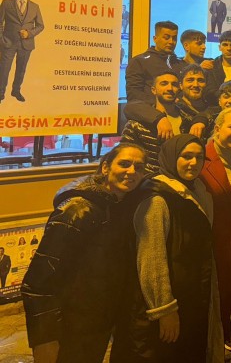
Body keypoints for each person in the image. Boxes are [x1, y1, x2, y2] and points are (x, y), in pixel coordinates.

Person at [22, 144, 146, 363]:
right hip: (68, 329)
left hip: (95, 327)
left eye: (139, 167)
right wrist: (45, 339)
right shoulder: (77, 210)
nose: (131, 171)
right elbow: (38, 282)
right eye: (124, 164)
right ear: (106, 168)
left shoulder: (120, 207)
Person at [111, 135, 222, 363]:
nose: (193, 163)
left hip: (188, 297)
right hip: (160, 307)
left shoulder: (196, 190)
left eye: (199, 157)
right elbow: (151, 259)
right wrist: (164, 310)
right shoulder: (158, 199)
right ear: (172, 157)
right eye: (186, 156)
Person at [200, 108, 231, 353]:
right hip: (206, 240)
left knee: (226, 289)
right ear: (218, 128)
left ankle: (222, 328)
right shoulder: (199, 158)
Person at [121, 72, 193, 172]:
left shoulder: (189, 121)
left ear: (179, 88)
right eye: (164, 84)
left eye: (174, 84)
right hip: (150, 179)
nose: (170, 88)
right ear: (153, 90)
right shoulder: (137, 125)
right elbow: (125, 159)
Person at [0, 0, 44, 104]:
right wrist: (1, 40)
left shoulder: (35, 7)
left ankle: (16, 91)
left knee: (21, 69)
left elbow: (40, 25)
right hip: (8, 43)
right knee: (4, 69)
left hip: (26, 45)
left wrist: (29, 33)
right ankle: (1, 92)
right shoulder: (6, 3)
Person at [125, 21, 186, 103]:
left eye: (174, 38)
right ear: (155, 39)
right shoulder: (139, 61)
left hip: (178, 109)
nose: (171, 42)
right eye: (166, 38)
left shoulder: (181, 64)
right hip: (150, 109)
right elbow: (134, 94)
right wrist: (160, 105)